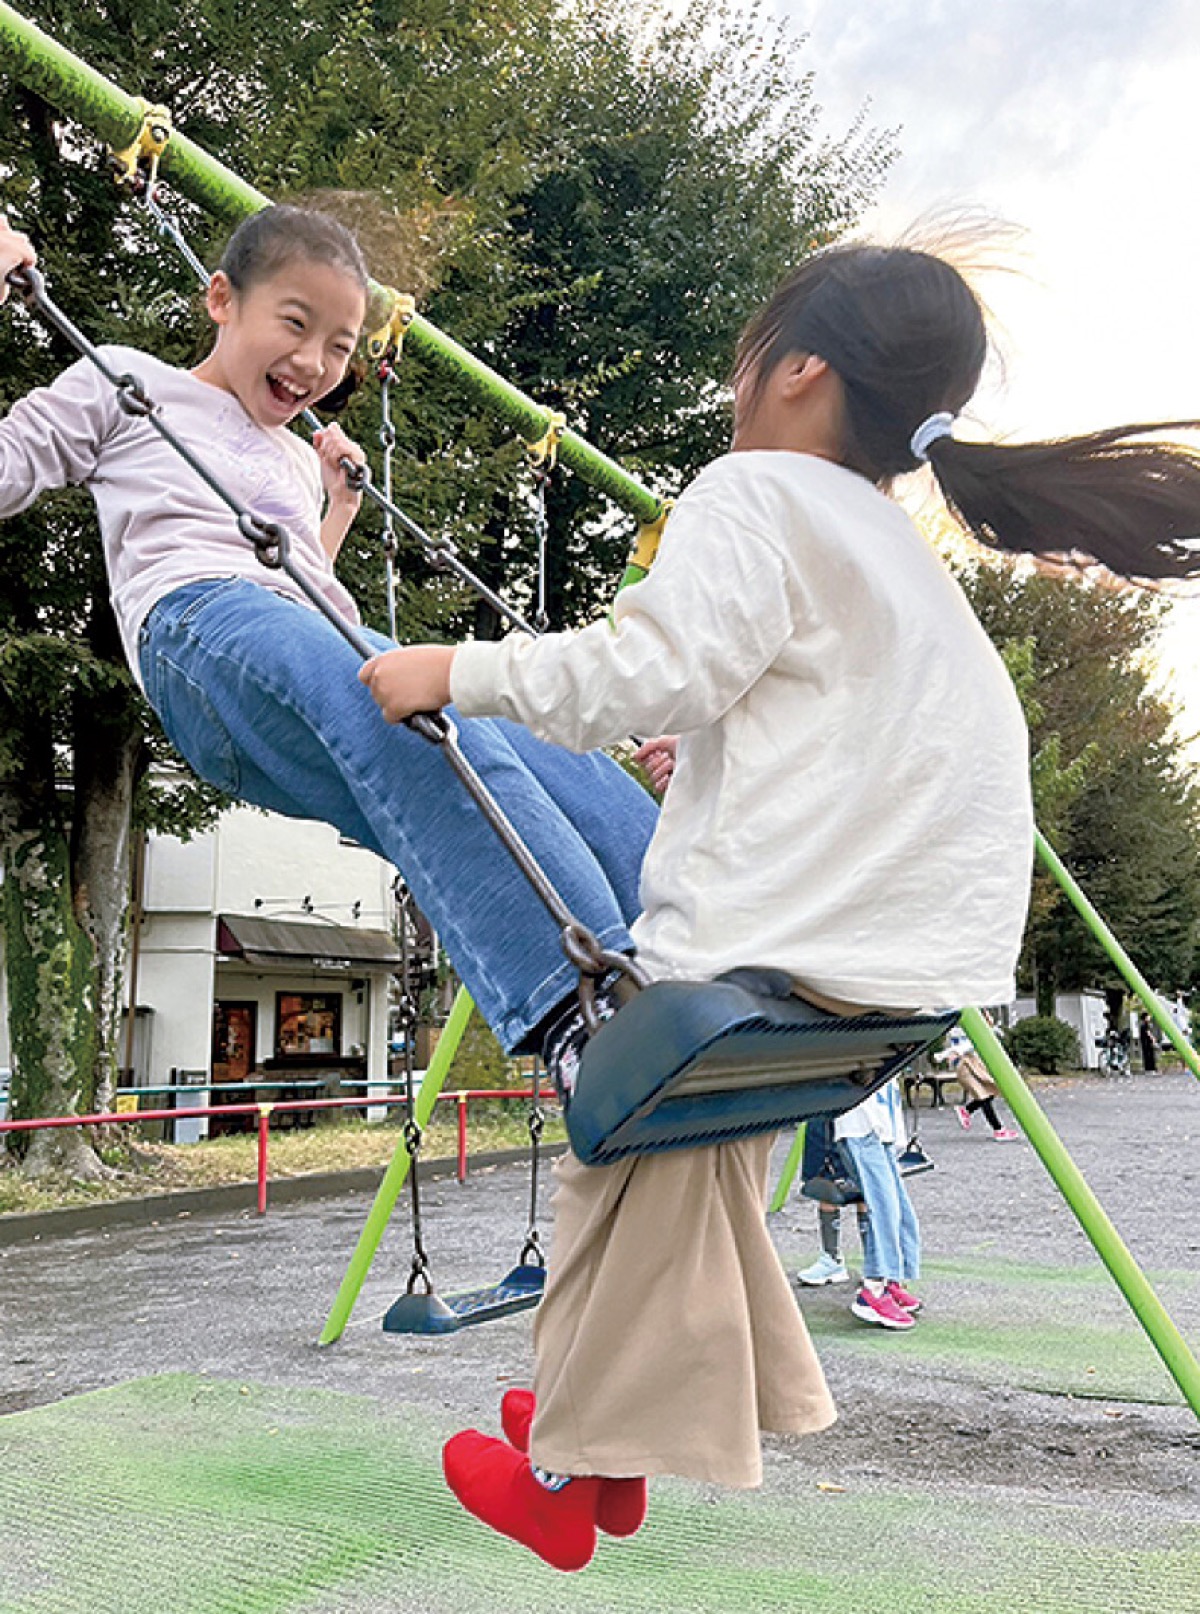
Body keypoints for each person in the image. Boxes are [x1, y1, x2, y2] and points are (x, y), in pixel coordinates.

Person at [5, 216, 1200, 1573]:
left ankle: (633, 980)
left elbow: (336, 601)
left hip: (312, 631)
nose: (317, 362)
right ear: (218, 298)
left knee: (501, 735)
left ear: (795, 372)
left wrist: (330, 514)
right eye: (295, 325)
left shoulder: (309, 457)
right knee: (424, 704)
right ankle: (582, 1009)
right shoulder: (126, 385)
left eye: (341, 344)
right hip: (204, 638)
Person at [936, 1022, 1020, 1140]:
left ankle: (966, 1110)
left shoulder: (980, 1029)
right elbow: (965, 1045)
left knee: (990, 1091)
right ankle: (998, 1129)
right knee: (984, 1096)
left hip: (972, 1064)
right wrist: (947, 1054)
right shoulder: (969, 1028)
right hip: (966, 1066)